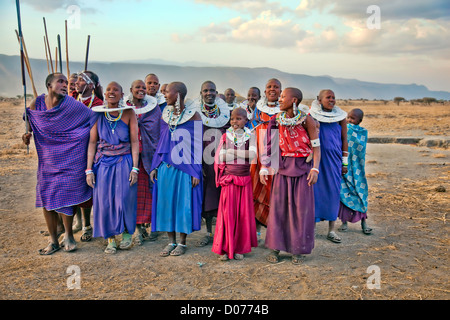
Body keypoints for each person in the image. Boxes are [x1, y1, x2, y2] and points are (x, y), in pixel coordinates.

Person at [22, 72, 94, 255]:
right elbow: (31, 120)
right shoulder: (36, 103)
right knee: (46, 198)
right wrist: (27, 134)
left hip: (70, 158)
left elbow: (92, 119)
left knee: (66, 196)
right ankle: (53, 241)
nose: (65, 84)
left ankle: (69, 235)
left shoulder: (71, 104)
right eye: (60, 82)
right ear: (49, 85)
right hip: (47, 159)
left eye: (65, 82)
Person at [261, 87, 320, 264]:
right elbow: (270, 145)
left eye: (283, 97)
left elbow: (316, 147)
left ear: (294, 100)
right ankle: (276, 248)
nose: (279, 99)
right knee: (279, 209)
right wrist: (265, 166)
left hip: (303, 170)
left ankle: (298, 250)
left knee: (300, 210)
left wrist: (315, 168)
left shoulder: (306, 120)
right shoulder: (276, 120)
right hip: (282, 169)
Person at [149, 81, 203, 256]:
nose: (164, 94)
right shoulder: (165, 115)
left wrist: (195, 171)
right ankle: (170, 241)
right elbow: (161, 142)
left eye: (168, 92)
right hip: (166, 167)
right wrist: (155, 166)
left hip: (185, 169)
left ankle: (182, 243)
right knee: (165, 204)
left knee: (182, 205)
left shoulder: (194, 116)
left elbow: (197, 146)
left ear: (178, 94)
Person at [86, 81, 139, 254]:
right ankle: (110, 239)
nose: (111, 92)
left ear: (122, 94)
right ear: (104, 94)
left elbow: (134, 141)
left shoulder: (129, 113)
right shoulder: (97, 114)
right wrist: (88, 170)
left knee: (124, 198)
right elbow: (92, 142)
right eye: (108, 89)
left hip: (125, 161)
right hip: (103, 163)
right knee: (105, 201)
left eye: (116, 90)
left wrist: (135, 168)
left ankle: (126, 234)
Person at [212, 107, 258, 261]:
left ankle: (239, 248)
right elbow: (221, 158)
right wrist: (237, 155)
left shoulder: (250, 136)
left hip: (244, 180)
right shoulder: (225, 136)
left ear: (246, 120)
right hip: (229, 179)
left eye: (239, 118)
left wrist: (231, 153)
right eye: (232, 119)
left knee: (242, 214)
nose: (234, 121)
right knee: (228, 213)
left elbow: (252, 155)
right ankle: (225, 248)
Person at [125, 80, 161, 244]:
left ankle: (144, 227)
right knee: (132, 194)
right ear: (131, 89)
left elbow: (157, 131)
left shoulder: (153, 109)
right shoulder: (123, 108)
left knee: (146, 194)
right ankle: (136, 230)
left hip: (147, 155)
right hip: (128, 157)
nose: (141, 89)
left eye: (143, 88)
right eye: (138, 87)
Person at [195, 80, 230, 247]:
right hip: (205, 162)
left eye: (212, 90)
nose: (209, 93)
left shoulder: (225, 114)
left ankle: (223, 233)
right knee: (207, 198)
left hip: (224, 162)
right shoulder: (194, 114)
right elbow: (193, 139)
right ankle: (209, 233)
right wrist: (197, 164)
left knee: (223, 197)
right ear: (201, 93)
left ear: (217, 93)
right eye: (206, 90)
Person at [310, 89, 348, 243]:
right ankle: (310, 230)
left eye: (333, 97)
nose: (332, 100)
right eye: (328, 97)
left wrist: (344, 162)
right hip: (318, 160)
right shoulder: (312, 116)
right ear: (319, 100)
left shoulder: (341, 117)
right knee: (314, 194)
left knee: (333, 192)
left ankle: (331, 231)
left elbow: (344, 139)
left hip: (334, 160)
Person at [72, 70, 104, 242]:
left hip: (89, 149)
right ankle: (77, 222)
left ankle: (87, 225)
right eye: (76, 80)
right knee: (73, 186)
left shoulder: (98, 104)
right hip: (72, 150)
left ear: (91, 86)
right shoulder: (71, 100)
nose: (76, 83)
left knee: (86, 187)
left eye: (80, 80)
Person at [250, 78, 282, 240]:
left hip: (278, 154)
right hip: (258, 154)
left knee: (274, 192)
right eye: (269, 87)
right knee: (257, 190)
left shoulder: (284, 110)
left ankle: (273, 232)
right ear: (264, 91)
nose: (272, 89)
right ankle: (256, 232)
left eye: (276, 87)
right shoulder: (257, 110)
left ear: (281, 92)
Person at [338, 108, 372, 234]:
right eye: (348, 117)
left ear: (360, 121)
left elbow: (360, 149)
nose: (349, 120)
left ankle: (364, 223)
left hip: (357, 168)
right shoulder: (344, 129)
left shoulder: (362, 133)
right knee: (344, 192)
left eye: (352, 118)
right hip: (345, 166)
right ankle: (344, 222)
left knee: (360, 193)